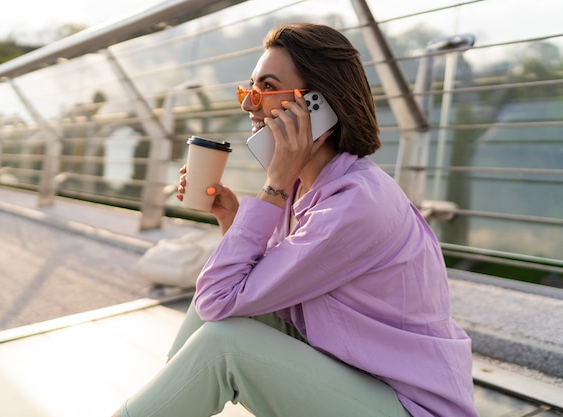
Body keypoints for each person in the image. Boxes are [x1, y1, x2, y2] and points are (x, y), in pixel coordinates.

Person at [112, 23, 478, 417]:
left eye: (267, 88)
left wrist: (274, 184)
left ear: (317, 105)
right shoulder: (309, 186)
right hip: (358, 377)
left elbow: (220, 300)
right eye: (249, 88)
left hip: (409, 407)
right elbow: (240, 293)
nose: (249, 104)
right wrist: (234, 220)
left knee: (225, 346)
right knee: (218, 318)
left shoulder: (354, 204)